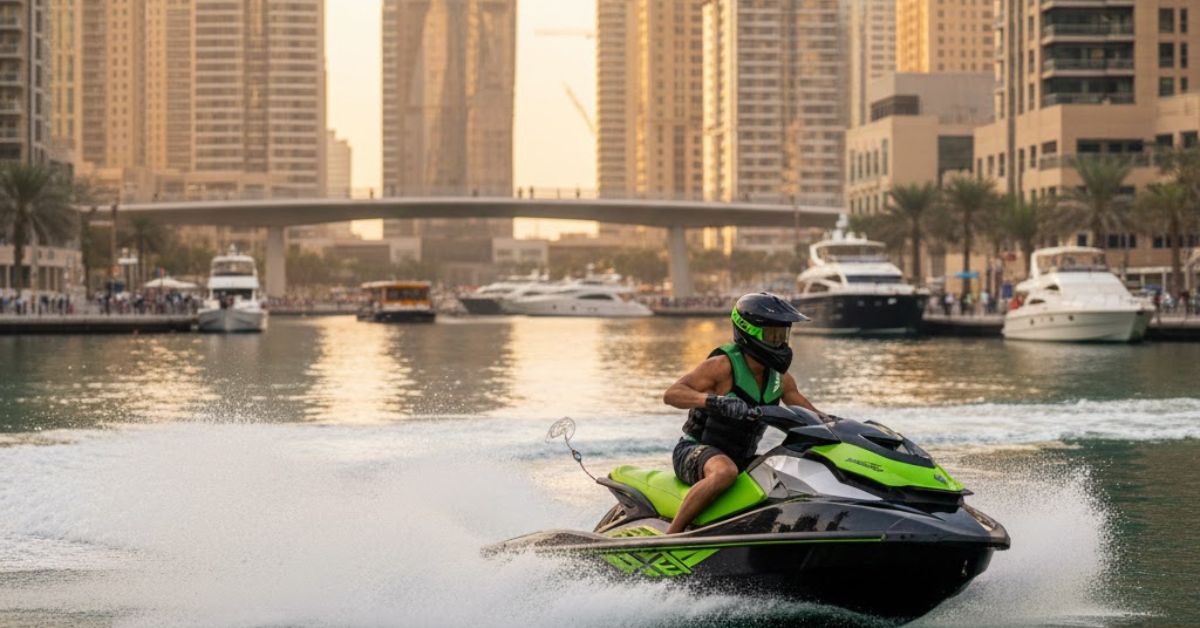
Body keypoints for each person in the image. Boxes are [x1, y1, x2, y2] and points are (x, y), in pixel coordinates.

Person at [662, 292, 822, 534]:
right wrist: (713, 401)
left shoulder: (781, 380)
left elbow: (811, 415)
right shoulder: (722, 366)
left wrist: (842, 426)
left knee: (786, 471)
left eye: (783, 335)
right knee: (725, 472)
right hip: (693, 451)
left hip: (741, 456)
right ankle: (672, 536)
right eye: (772, 334)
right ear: (749, 332)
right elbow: (672, 394)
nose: (780, 342)